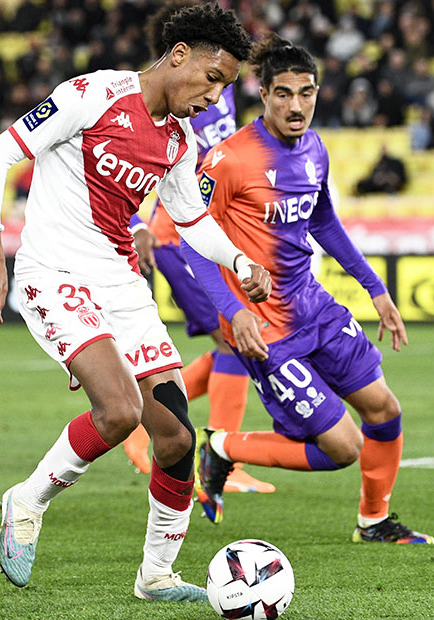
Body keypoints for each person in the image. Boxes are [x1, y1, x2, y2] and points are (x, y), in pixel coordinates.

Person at [0, 4, 269, 601]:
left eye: (228, 87)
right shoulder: (92, 94)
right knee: (119, 411)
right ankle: (26, 501)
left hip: (122, 286)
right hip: (53, 274)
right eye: (214, 79)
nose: (216, 97)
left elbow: (190, 218)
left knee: (178, 438)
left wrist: (238, 260)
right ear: (179, 55)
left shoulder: (179, 140)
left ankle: (156, 575)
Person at [182, 34, 434, 544]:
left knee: (385, 410)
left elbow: (326, 223)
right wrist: (234, 311)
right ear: (263, 93)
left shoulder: (315, 148)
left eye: (307, 92)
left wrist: (376, 290)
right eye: (284, 94)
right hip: (266, 329)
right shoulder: (229, 160)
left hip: (313, 307)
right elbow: (193, 243)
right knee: (342, 448)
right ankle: (223, 447)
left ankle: (375, 521)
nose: (297, 106)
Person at [121, 0, 274, 496]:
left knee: (230, 343)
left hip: (210, 233)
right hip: (176, 237)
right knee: (234, 339)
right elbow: (123, 167)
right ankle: (223, 458)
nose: (214, 89)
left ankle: (147, 420)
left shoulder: (218, 98)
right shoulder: (152, 105)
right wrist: (138, 224)